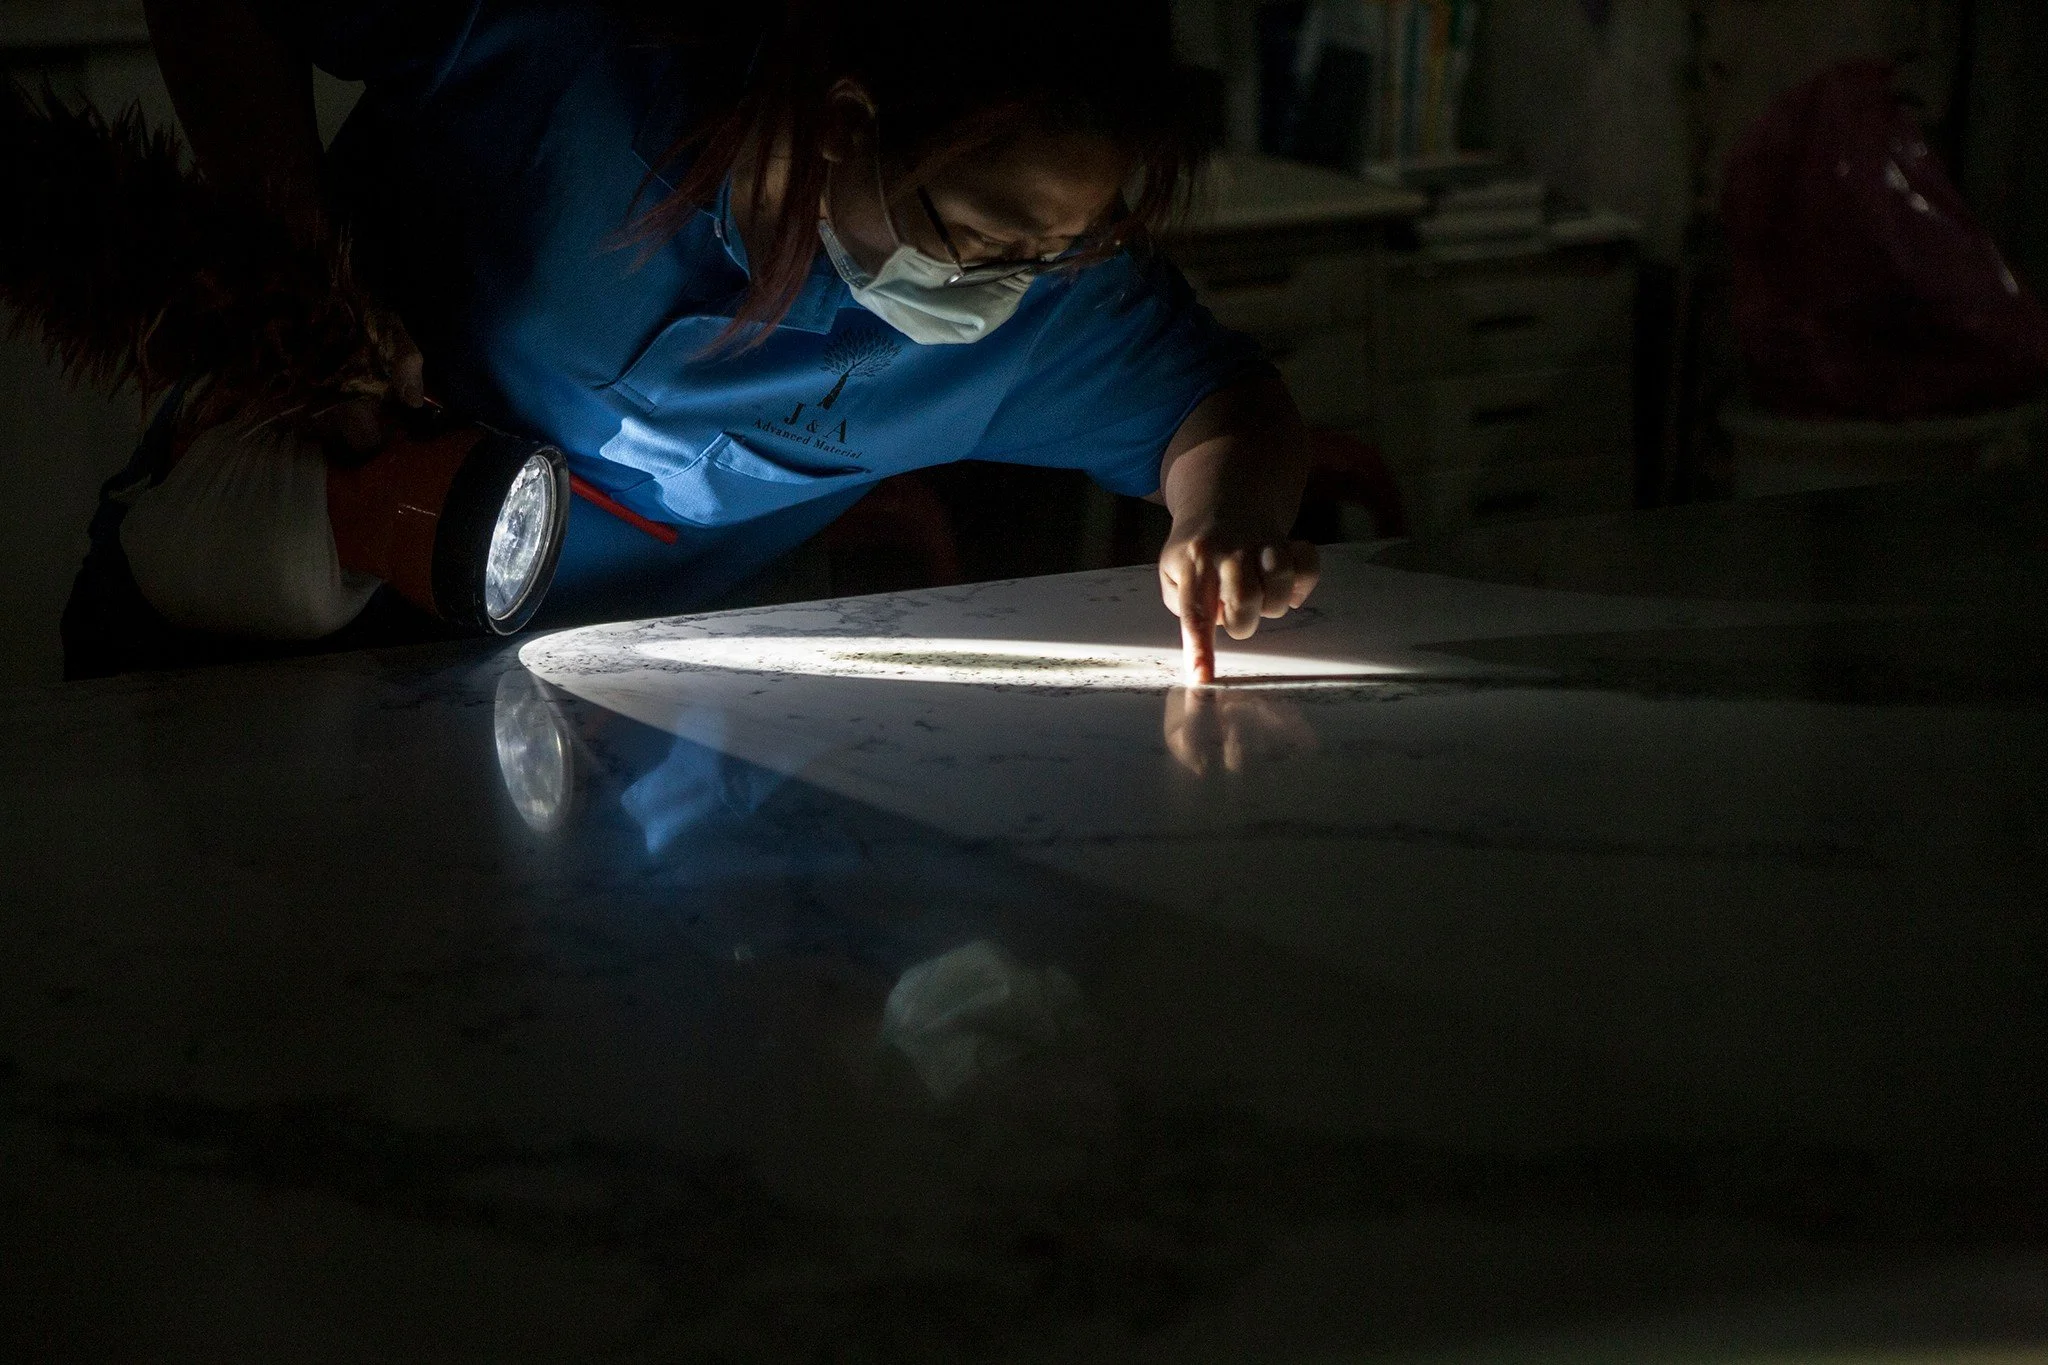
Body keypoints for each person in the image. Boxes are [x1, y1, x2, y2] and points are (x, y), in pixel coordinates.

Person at [116, 0, 1319, 682]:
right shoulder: (572, 67)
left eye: (1070, 244)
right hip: (247, 588)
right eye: (987, 236)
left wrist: (1224, 521)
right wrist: (292, 252)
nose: (1022, 284)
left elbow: (1216, 406)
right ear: (849, 124)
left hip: (547, 707)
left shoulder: (1047, 302)